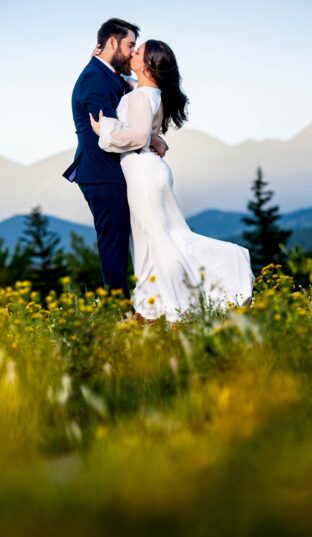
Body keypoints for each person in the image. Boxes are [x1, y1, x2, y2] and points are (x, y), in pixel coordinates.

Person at [89, 39, 254, 322]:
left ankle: (185, 303)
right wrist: (104, 61)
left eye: (138, 51)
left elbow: (138, 136)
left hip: (143, 173)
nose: (133, 52)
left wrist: (103, 128)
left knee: (161, 241)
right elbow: (134, 95)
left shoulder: (141, 96)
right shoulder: (149, 92)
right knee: (150, 241)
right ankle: (152, 307)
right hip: (149, 172)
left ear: (149, 66)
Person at [62, 18, 168, 295]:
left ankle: (139, 302)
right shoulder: (94, 80)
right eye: (130, 45)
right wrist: (150, 137)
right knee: (114, 244)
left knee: (126, 241)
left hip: (110, 171)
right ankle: (117, 308)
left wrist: (149, 134)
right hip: (101, 173)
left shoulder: (107, 74)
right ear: (112, 43)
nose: (133, 52)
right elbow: (111, 131)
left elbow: (132, 101)